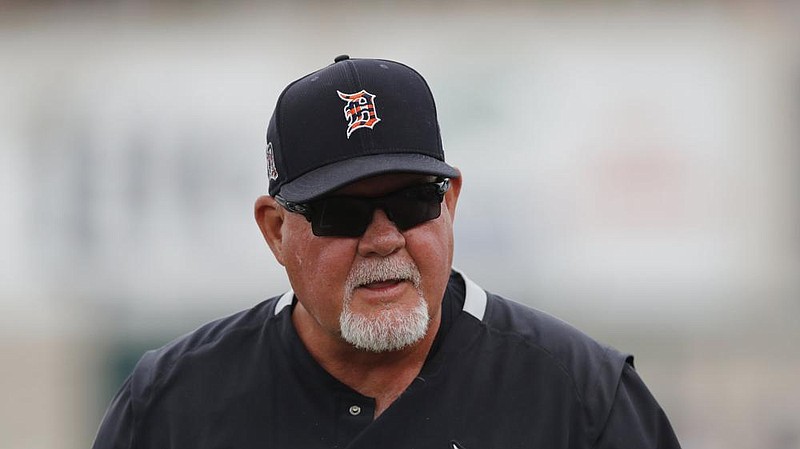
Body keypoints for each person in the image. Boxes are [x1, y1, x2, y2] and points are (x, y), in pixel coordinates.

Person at [93, 55, 681, 449]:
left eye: (411, 202)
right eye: (341, 213)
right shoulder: (174, 403)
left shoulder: (580, 396)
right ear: (276, 231)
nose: (383, 239)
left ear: (449, 202)